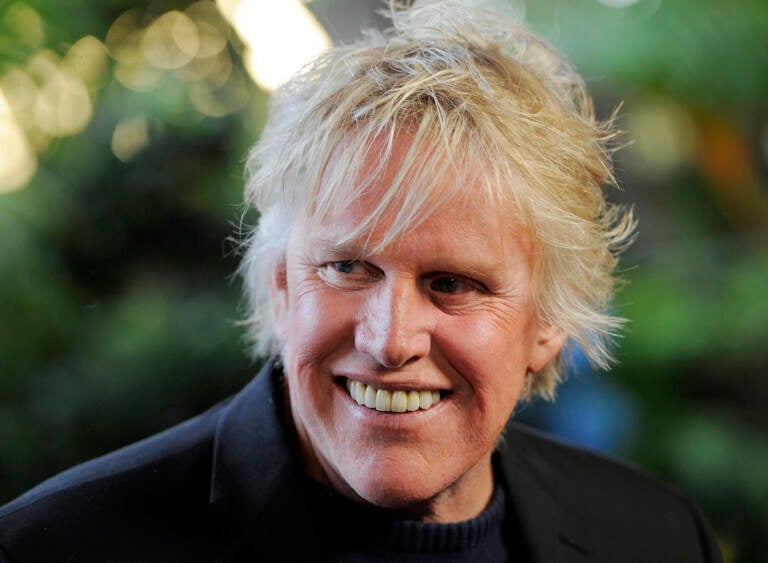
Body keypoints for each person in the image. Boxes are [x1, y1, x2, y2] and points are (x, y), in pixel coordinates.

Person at [0, 1, 722, 561]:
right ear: (281, 284)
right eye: (349, 267)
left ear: (548, 324)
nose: (389, 339)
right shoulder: (53, 544)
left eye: (452, 282)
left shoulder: (657, 536)